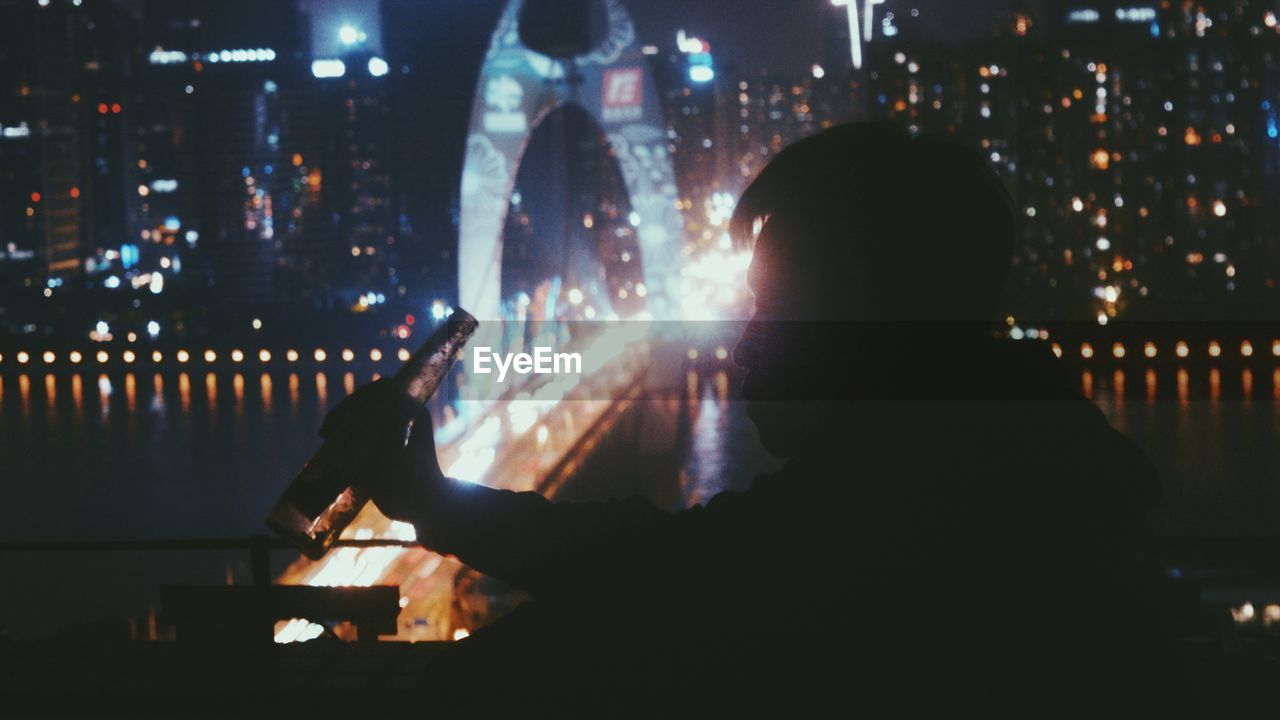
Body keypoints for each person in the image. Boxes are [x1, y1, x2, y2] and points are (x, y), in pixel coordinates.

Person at [333, 123, 1183, 717]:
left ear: (870, 320)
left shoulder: (899, 524)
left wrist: (432, 504)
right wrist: (436, 503)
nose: (741, 349)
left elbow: (675, 578)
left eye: (773, 313)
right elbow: (685, 564)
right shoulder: (1016, 468)